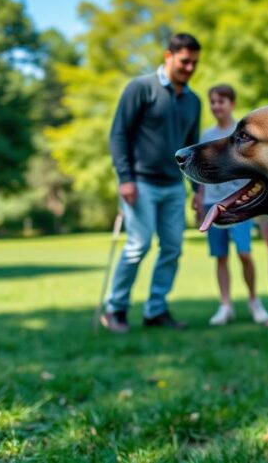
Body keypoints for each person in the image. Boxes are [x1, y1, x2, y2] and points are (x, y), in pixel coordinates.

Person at [100, 33, 202, 333]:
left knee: (172, 248)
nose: (190, 68)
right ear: (168, 55)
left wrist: (197, 190)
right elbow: (119, 134)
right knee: (138, 245)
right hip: (140, 184)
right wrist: (125, 178)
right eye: (185, 61)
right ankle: (115, 310)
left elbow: (192, 148)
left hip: (173, 186)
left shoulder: (193, 101)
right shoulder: (141, 88)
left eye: (195, 63)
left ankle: (155, 311)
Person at [197, 84, 268, 326]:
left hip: (239, 204)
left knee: (244, 253)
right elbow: (201, 171)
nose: (216, 106)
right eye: (213, 101)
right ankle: (225, 305)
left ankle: (253, 300)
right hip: (212, 203)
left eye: (221, 101)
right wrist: (198, 196)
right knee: (220, 257)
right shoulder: (206, 136)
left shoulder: (240, 132)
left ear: (232, 104)